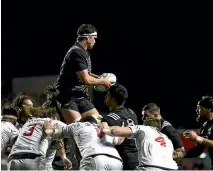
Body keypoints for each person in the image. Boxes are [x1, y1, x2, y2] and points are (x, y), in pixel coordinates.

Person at [55, 24, 114, 124]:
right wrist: (103, 81)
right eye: (94, 38)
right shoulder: (76, 52)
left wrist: (99, 77)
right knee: (78, 130)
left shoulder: (82, 51)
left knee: (98, 124)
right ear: (87, 37)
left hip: (81, 96)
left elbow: (87, 73)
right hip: (67, 97)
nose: (95, 41)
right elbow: (85, 80)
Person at [43, 115, 123, 170]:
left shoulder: (78, 125)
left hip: (95, 158)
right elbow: (120, 140)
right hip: (116, 161)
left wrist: (48, 127)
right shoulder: (104, 130)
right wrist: (123, 127)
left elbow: (55, 134)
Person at [7, 105, 72, 170]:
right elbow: (75, 129)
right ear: (54, 117)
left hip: (12, 159)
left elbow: (58, 141)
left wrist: (64, 157)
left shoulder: (28, 123)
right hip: (33, 158)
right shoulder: (52, 122)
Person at [101, 118, 179, 170]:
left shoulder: (143, 128)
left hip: (151, 168)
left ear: (145, 124)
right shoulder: (167, 139)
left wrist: (105, 127)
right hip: (173, 168)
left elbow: (115, 131)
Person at [101, 84, 139, 170]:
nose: (105, 96)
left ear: (113, 99)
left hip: (123, 159)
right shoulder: (131, 112)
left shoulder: (108, 119)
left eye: (108, 95)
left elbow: (104, 137)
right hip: (138, 157)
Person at [174, 95, 213, 169]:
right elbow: (198, 150)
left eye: (200, 107)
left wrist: (197, 138)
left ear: (209, 109)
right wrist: (179, 155)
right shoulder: (206, 125)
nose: (197, 110)